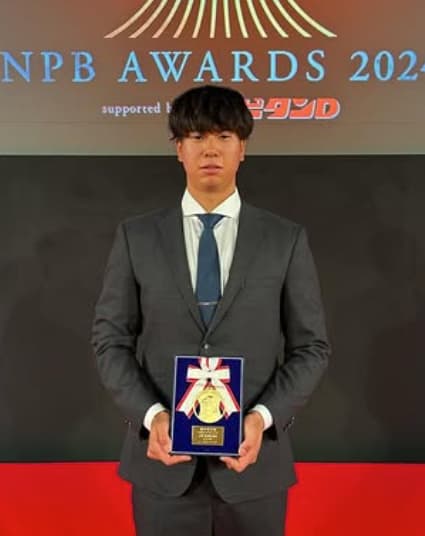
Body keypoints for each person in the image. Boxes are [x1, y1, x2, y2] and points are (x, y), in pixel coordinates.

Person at [92, 85, 330, 536]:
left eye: (224, 136)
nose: (210, 150)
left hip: (255, 470)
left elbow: (311, 348)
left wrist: (261, 419)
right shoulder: (136, 237)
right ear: (178, 149)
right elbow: (110, 341)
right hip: (162, 471)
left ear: (243, 148)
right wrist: (151, 416)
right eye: (197, 136)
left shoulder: (284, 240)